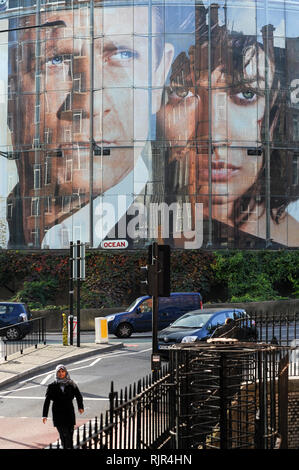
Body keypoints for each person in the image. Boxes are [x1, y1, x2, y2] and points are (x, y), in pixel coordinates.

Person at [6, 0, 174, 248]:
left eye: (122, 55)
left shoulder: (171, 225)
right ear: (12, 93)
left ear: (158, 77)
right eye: (56, 59)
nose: (87, 105)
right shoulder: (9, 216)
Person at [156, 2, 299, 248]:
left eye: (246, 94)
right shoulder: (146, 232)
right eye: (184, 91)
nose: (212, 135)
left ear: (275, 114)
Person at [42, 364, 84, 449]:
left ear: (66, 372)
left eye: (63, 371)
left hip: (69, 413)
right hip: (58, 414)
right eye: (59, 372)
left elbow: (79, 396)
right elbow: (47, 401)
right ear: (56, 373)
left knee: (70, 434)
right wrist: (44, 415)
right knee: (63, 435)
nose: (61, 373)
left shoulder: (72, 384)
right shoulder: (52, 386)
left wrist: (80, 407)